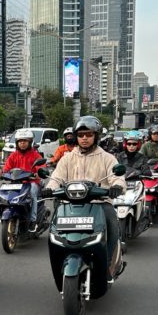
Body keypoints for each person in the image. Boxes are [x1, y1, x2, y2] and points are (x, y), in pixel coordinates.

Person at [43, 116, 125, 282]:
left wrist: (117, 187)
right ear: (76, 137)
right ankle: (60, 260)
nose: (84, 138)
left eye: (89, 134)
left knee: (112, 224)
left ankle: (108, 263)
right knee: (54, 230)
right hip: (70, 204)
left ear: (96, 136)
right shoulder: (67, 158)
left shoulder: (107, 158)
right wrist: (49, 188)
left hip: (99, 203)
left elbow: (117, 177)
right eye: (81, 135)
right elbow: (57, 177)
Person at [0, 129, 43, 232]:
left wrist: (38, 173)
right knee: (5, 194)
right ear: (17, 143)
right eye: (20, 141)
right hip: (17, 182)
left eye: (25, 141)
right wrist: (1, 173)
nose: (22, 143)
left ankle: (33, 221)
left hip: (31, 182)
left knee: (32, 193)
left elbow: (41, 167)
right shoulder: (13, 155)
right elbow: (6, 168)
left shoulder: (35, 155)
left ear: (30, 142)